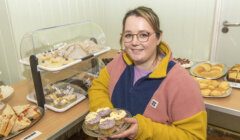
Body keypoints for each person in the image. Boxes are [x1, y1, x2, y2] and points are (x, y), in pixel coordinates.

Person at [88, 6, 207, 140]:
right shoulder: (120, 61)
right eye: (128, 35)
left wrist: (143, 130)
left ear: (158, 38)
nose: (134, 42)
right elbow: (98, 87)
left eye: (143, 35)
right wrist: (107, 119)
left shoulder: (183, 83)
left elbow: (194, 136)